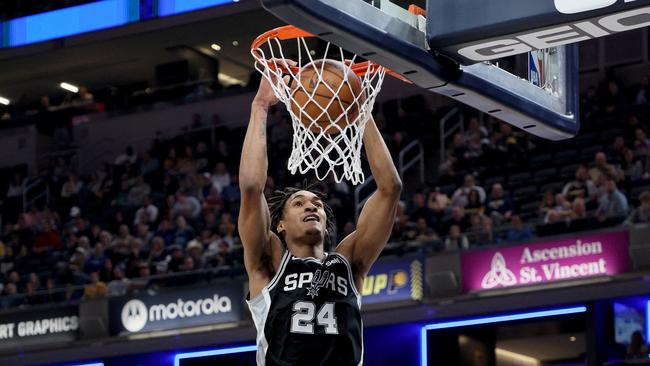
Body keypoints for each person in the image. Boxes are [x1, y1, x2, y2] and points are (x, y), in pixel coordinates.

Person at [239, 67, 401, 366]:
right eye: (299, 203)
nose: (311, 207)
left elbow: (390, 188)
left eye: (317, 204)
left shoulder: (348, 262)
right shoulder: (271, 262)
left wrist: (361, 111)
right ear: (281, 225)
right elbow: (251, 188)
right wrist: (260, 107)